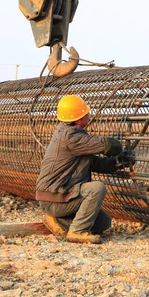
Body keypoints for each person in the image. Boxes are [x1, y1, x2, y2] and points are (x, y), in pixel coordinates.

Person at [35, 95, 124, 244]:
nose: (89, 115)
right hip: (55, 198)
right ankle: (77, 232)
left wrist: (115, 164)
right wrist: (116, 146)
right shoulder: (71, 136)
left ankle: (59, 221)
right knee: (96, 188)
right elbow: (106, 145)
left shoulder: (72, 135)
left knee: (103, 223)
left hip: (58, 196)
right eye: (86, 114)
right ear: (78, 120)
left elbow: (94, 163)